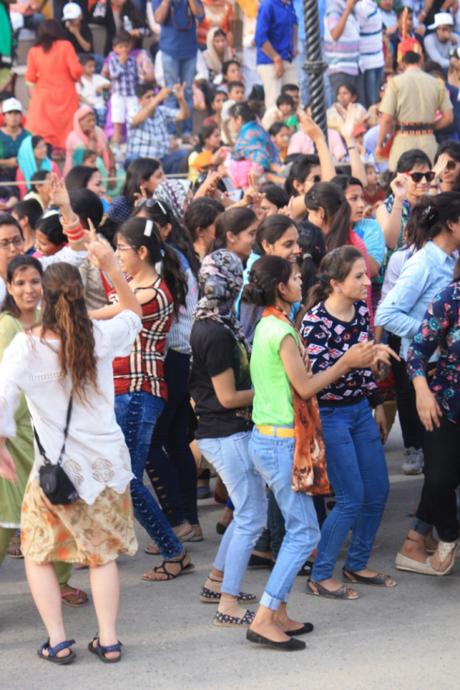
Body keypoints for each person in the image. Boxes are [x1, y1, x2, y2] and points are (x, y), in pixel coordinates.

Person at [0, 240, 142, 664]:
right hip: (106, 467)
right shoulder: (98, 334)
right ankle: (109, 640)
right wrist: (113, 268)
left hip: (54, 472)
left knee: (39, 553)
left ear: (44, 295)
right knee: (102, 557)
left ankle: (59, 641)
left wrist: (2, 445)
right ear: (82, 295)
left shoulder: (27, 346)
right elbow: (133, 313)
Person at [243, 254, 377, 648]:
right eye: (297, 278)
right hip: (280, 441)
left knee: (297, 530)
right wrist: (347, 362)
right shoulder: (281, 331)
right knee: (304, 532)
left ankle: (278, 612)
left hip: (274, 437)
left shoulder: (271, 323)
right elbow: (305, 387)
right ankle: (265, 616)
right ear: (282, 288)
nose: (303, 281)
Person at [92, 216, 193, 582]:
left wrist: (72, 315)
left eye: (121, 249)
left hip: (138, 392)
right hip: (129, 391)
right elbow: (112, 292)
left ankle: (173, 551)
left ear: (142, 252)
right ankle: (112, 544)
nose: (117, 255)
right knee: (119, 477)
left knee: (127, 479)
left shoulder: (151, 293)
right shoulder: (136, 284)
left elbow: (110, 311)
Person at [301, 246, 397, 599]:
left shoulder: (359, 311)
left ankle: (356, 564)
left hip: (360, 411)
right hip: (331, 414)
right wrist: (350, 360)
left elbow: (365, 365)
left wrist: (377, 403)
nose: (365, 280)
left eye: (365, 275)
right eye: (357, 276)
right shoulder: (314, 322)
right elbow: (314, 381)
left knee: (378, 491)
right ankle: (321, 573)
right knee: (350, 497)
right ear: (334, 283)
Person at [0, 255, 88, 609]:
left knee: (58, 505)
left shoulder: (51, 321)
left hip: (48, 433)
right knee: (7, 518)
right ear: (8, 287)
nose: (28, 289)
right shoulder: (7, 327)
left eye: (34, 281)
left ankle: (61, 581)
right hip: (13, 433)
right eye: (19, 283)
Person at [190, 249, 266, 626]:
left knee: (246, 509)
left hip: (223, 432)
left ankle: (217, 582)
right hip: (225, 433)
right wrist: (269, 390)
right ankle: (229, 605)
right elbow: (227, 397)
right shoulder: (216, 331)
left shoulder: (213, 321)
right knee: (252, 514)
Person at [376, 193, 460, 479]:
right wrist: (432, 334)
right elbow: (385, 314)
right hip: (431, 374)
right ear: (451, 225)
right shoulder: (423, 263)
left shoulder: (452, 259)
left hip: (451, 370)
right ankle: (426, 523)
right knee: (441, 466)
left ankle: (426, 523)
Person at [403, 261, 460, 576]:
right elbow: (417, 353)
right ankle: (448, 537)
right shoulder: (451, 297)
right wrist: (422, 391)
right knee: (439, 481)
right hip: (447, 403)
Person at [376, 40, 453, 170]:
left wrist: (379, 144)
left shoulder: (395, 83)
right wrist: (430, 126)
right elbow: (448, 117)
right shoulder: (436, 83)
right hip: (428, 140)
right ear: (421, 58)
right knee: (430, 182)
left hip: (404, 141)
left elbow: (387, 119)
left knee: (402, 181)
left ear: (401, 61)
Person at [25, 19, 83, 150]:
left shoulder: (34, 51)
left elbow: (30, 78)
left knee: (44, 133)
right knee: (67, 130)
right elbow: (76, 71)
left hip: (43, 97)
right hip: (65, 94)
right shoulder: (66, 46)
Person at [153, 0, 205, 138]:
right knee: (170, 91)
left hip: (189, 50)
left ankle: (187, 131)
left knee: (187, 92)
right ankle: (170, 133)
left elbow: (200, 15)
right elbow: (158, 18)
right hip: (169, 50)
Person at [126, 82, 190, 172]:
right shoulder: (133, 111)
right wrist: (158, 98)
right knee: (132, 158)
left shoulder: (162, 111)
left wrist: (181, 99)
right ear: (139, 101)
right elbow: (136, 120)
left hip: (161, 161)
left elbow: (184, 116)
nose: (152, 99)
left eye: (153, 96)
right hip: (141, 162)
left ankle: (170, 183)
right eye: (148, 97)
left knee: (184, 154)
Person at [254, 0, 298, 110]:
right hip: (269, 60)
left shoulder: (289, 3)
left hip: (287, 57)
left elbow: (294, 23)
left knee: (294, 100)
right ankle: (273, 127)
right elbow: (260, 37)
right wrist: (276, 58)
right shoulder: (268, 4)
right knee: (275, 104)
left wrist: (295, 45)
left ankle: (292, 127)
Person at [229, 102, 281, 182]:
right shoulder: (256, 128)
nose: (230, 124)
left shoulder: (248, 135)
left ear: (238, 119)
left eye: (231, 119)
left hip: (266, 180)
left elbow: (261, 157)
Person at [107, 31, 139, 147]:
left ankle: (132, 138)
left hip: (131, 93)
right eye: (120, 47)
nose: (124, 49)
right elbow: (113, 75)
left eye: (126, 46)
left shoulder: (133, 61)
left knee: (133, 115)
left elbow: (136, 77)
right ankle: (116, 137)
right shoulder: (113, 60)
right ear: (115, 48)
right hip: (118, 93)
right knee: (117, 115)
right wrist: (121, 63)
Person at [64, 106, 113, 178]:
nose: (92, 123)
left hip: (102, 169)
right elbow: (89, 159)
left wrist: (112, 171)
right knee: (98, 163)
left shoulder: (98, 131)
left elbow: (109, 152)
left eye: (94, 120)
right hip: (80, 172)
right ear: (79, 122)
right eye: (89, 121)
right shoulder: (73, 138)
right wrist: (91, 140)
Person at [324, 0, 360, 96]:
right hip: (339, 68)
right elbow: (335, 34)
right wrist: (347, 10)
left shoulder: (352, 7)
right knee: (341, 106)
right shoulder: (334, 7)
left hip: (352, 66)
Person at [355, 0, 384, 108]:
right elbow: (357, 28)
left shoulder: (374, 5)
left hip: (378, 59)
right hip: (367, 62)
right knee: (371, 103)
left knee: (378, 99)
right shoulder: (361, 7)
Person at [0, 98, 30, 200]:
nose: (14, 117)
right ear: (4, 116)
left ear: (21, 116)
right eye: (10, 113)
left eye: (17, 113)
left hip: (25, 173)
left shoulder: (28, 135)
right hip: (2, 174)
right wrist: (7, 162)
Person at [76, 55, 111, 127]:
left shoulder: (97, 77)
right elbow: (78, 96)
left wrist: (102, 87)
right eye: (89, 66)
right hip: (86, 105)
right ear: (82, 67)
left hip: (100, 104)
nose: (93, 69)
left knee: (102, 111)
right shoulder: (79, 80)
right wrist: (89, 103)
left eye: (94, 66)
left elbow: (110, 84)